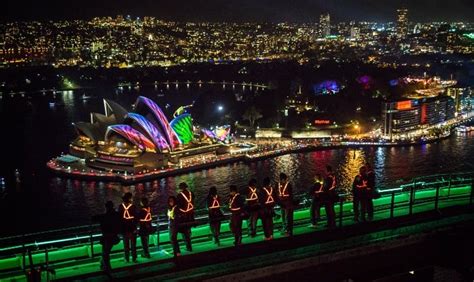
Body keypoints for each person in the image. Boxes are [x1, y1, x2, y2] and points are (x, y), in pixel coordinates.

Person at [92, 201, 120, 274]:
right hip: (114, 236)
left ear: (106, 207)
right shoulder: (116, 215)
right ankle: (103, 265)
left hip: (106, 237)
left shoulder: (104, 216)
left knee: (105, 253)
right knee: (105, 252)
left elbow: (93, 218)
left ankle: (107, 267)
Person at [118, 192, 137, 263]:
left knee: (126, 245)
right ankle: (134, 258)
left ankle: (126, 258)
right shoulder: (133, 206)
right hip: (132, 227)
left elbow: (119, 218)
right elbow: (136, 218)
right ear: (129, 199)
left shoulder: (120, 206)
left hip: (124, 228)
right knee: (133, 245)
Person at [175, 182, 194, 252]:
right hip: (191, 214)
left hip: (184, 215)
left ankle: (188, 246)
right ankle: (190, 245)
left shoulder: (179, 195)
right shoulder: (191, 193)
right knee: (189, 230)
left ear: (181, 187)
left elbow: (178, 206)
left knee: (184, 231)